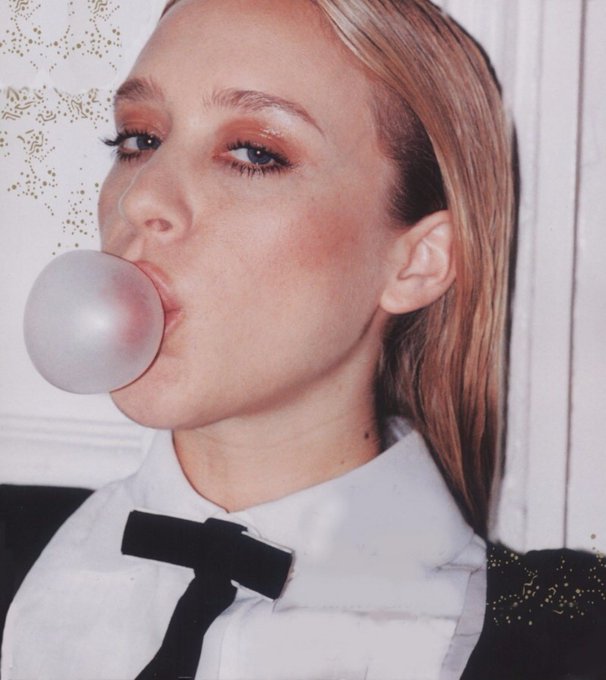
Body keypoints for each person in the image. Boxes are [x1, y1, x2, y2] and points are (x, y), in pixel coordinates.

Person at [2, 1, 605, 679]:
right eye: (140, 138)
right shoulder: (13, 551)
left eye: (255, 153)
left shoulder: (574, 640)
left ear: (418, 262)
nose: (141, 199)